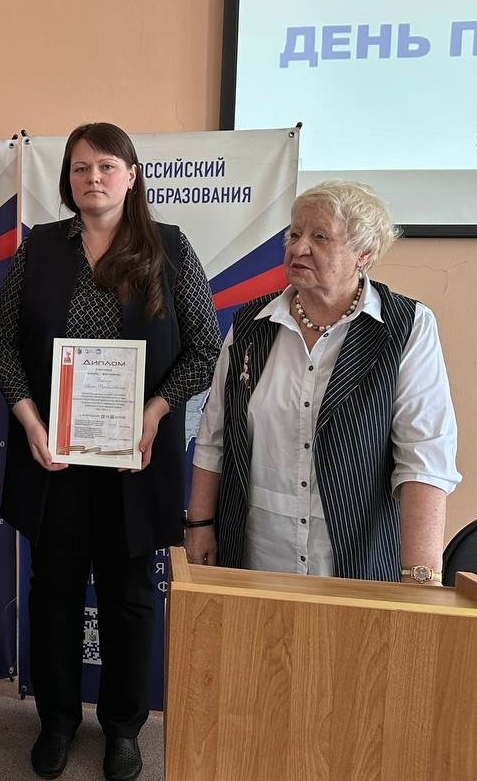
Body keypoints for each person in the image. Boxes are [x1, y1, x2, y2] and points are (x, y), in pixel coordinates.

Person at [0, 122, 221, 781]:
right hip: (53, 459)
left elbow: (204, 346)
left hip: (134, 461)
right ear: (67, 179)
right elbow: (3, 343)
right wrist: (29, 419)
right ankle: (58, 720)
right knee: (54, 593)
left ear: (132, 174)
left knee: (129, 598)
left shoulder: (168, 247)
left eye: (106, 166)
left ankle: (123, 727)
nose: (93, 178)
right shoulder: (39, 248)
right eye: (80, 167)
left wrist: (155, 411)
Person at [185, 180, 459, 584]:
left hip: (356, 565)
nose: (299, 248)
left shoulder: (405, 327)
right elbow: (214, 436)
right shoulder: (250, 325)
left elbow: (424, 458)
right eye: (294, 234)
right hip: (254, 558)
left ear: (364, 253)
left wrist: (420, 576)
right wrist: (199, 524)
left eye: (320, 237)